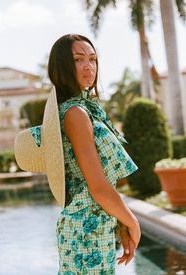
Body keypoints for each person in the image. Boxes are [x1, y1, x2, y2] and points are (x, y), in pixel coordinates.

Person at [47, 33, 141, 274]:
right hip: (85, 229)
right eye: (78, 60)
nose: (89, 66)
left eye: (92, 59)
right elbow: (97, 186)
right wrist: (132, 221)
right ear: (63, 66)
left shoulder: (82, 109)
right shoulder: (75, 113)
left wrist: (119, 221)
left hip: (92, 223)